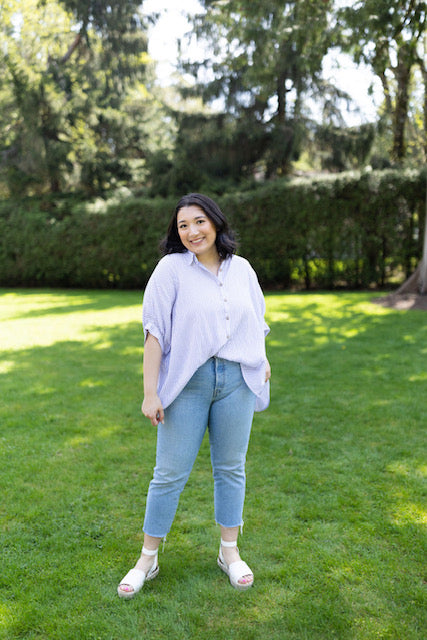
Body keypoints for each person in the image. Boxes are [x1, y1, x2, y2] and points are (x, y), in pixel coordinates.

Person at [117, 193, 271, 598]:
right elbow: (154, 335)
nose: (191, 232)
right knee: (168, 474)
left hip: (236, 380)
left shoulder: (243, 270)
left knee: (231, 468)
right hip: (187, 384)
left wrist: (261, 359)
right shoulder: (171, 270)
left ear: (215, 223)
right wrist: (151, 393)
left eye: (199, 222)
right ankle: (146, 560)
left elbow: (257, 320)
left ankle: (229, 553)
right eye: (183, 225)